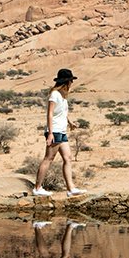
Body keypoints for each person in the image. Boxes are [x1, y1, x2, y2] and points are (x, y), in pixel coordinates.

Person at [34, 68, 87, 198]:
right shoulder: (55, 95)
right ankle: (37, 188)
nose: (71, 84)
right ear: (67, 82)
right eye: (71, 81)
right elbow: (50, 114)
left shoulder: (63, 96)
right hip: (55, 131)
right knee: (49, 158)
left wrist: (70, 122)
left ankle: (71, 188)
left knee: (68, 158)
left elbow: (62, 113)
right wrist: (50, 133)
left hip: (62, 131)